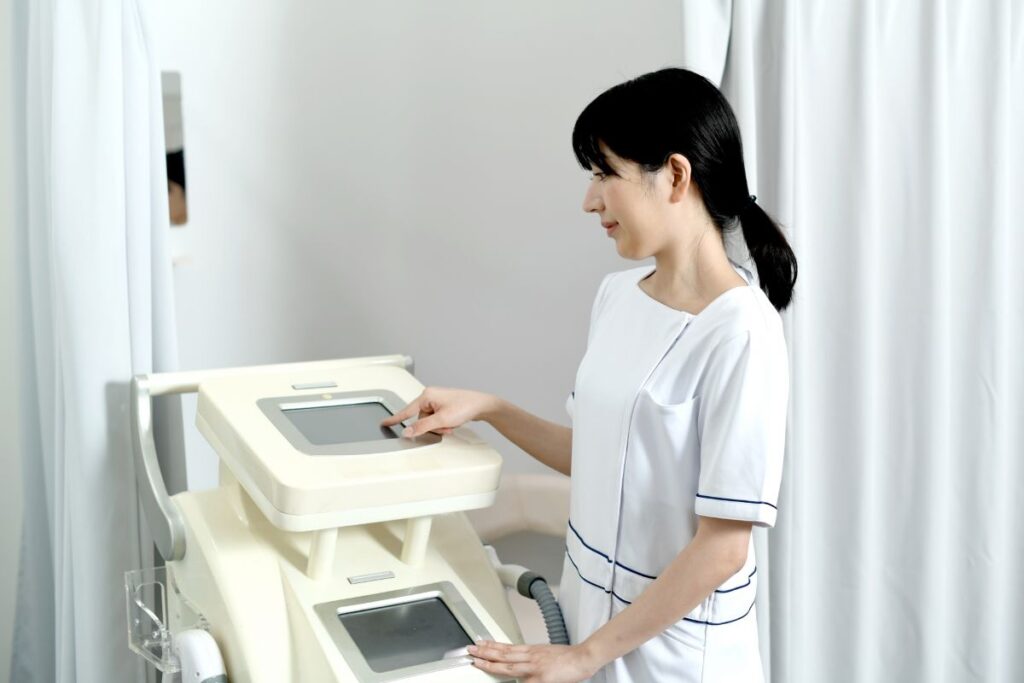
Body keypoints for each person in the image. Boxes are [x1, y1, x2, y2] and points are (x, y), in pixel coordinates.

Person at [381, 67, 797, 683]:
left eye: (605, 173)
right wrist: (492, 408)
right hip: (588, 634)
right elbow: (602, 456)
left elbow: (723, 545)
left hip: (678, 661)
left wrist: (584, 655)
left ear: (676, 176)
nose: (589, 199)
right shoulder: (618, 296)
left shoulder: (741, 332)